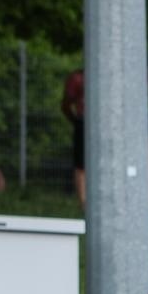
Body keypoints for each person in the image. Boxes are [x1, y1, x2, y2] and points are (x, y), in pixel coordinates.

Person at [62, 68, 86, 207]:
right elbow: (65, 105)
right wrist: (76, 121)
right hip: (84, 122)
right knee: (81, 165)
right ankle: (84, 204)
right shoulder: (78, 78)